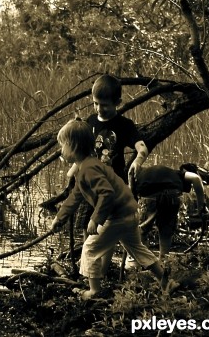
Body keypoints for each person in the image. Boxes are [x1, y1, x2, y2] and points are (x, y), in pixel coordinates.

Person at [50, 119, 169, 299]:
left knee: (89, 248)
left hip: (118, 216)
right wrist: (60, 218)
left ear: (73, 148)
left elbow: (107, 193)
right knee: (137, 248)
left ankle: (94, 290)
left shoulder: (89, 169)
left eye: (63, 146)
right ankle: (165, 281)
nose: (61, 151)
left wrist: (95, 219)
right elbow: (75, 195)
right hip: (129, 212)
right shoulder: (89, 166)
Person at [70, 74, 149, 273]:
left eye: (104, 105)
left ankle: (101, 272)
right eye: (95, 103)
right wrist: (73, 170)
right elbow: (83, 152)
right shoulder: (89, 122)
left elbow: (141, 147)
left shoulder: (124, 125)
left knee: (106, 229)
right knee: (86, 226)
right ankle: (87, 269)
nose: (99, 108)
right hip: (91, 187)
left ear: (118, 103)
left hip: (112, 188)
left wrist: (139, 158)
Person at [131, 163, 208, 260]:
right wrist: (201, 206)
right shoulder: (181, 173)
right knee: (166, 232)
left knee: (142, 231)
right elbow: (196, 178)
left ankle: (141, 262)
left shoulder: (165, 172)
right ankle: (163, 262)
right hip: (171, 195)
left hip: (149, 195)